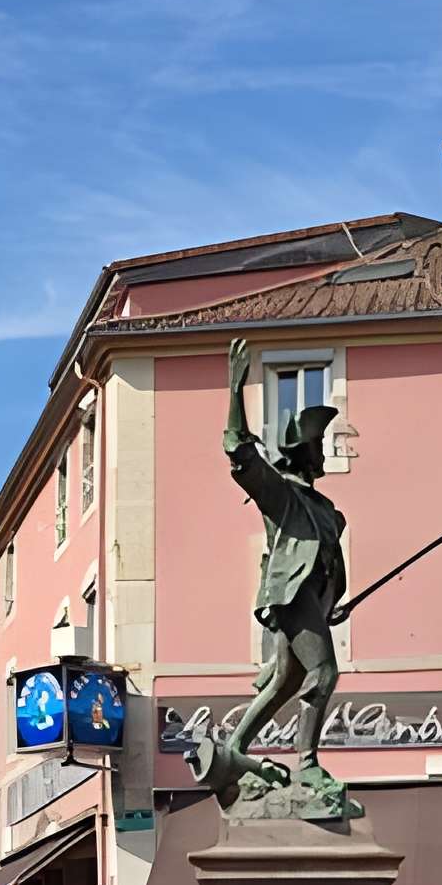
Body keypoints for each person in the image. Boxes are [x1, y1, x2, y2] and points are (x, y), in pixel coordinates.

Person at [192, 336, 346, 802]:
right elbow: (239, 453)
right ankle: (309, 764)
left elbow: (321, 565)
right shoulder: (284, 495)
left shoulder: (327, 510)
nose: (323, 452)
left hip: (307, 602)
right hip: (290, 599)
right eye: (318, 445)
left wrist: (327, 605)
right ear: (303, 454)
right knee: (323, 674)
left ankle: (237, 746)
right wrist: (234, 393)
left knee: (286, 680)